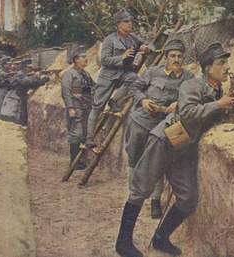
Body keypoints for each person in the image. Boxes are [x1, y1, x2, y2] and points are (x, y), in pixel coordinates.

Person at [115, 42, 234, 257]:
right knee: (140, 189)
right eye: (221, 63)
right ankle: (123, 243)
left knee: (188, 198)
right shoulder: (192, 85)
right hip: (164, 140)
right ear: (208, 68)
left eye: (225, 63)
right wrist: (219, 105)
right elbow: (189, 113)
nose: (226, 67)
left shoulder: (216, 89)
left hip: (184, 148)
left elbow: (209, 115)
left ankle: (161, 238)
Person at [125, 39, 194, 219]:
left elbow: (195, 97)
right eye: (172, 56)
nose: (176, 59)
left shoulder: (189, 78)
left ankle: (155, 201)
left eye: (179, 56)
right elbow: (134, 87)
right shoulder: (152, 72)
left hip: (164, 126)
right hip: (141, 121)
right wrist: (143, 100)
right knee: (134, 158)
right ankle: (133, 198)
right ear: (166, 57)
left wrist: (179, 104)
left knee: (158, 162)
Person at [84, 9, 149, 148]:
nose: (130, 24)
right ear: (118, 24)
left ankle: (115, 100)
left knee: (135, 79)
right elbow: (104, 60)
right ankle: (89, 138)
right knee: (97, 106)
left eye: (130, 21)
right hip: (108, 76)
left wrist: (145, 48)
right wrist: (122, 57)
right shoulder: (110, 39)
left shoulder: (133, 38)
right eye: (126, 21)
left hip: (123, 73)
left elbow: (149, 45)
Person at [61, 46, 94, 170]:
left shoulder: (85, 74)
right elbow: (66, 91)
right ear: (75, 59)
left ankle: (80, 161)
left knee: (84, 134)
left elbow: (93, 87)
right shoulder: (69, 74)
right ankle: (74, 162)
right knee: (77, 134)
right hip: (76, 108)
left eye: (86, 57)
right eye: (83, 57)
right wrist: (70, 108)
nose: (86, 59)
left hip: (86, 107)